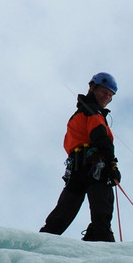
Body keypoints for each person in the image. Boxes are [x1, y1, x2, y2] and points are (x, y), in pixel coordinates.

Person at [39, 72, 121, 242]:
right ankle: (102, 243)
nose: (107, 97)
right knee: (102, 212)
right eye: (104, 92)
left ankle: (43, 240)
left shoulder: (79, 114)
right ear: (92, 88)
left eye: (110, 95)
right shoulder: (93, 112)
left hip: (77, 169)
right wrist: (112, 165)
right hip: (95, 167)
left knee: (64, 212)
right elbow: (100, 138)